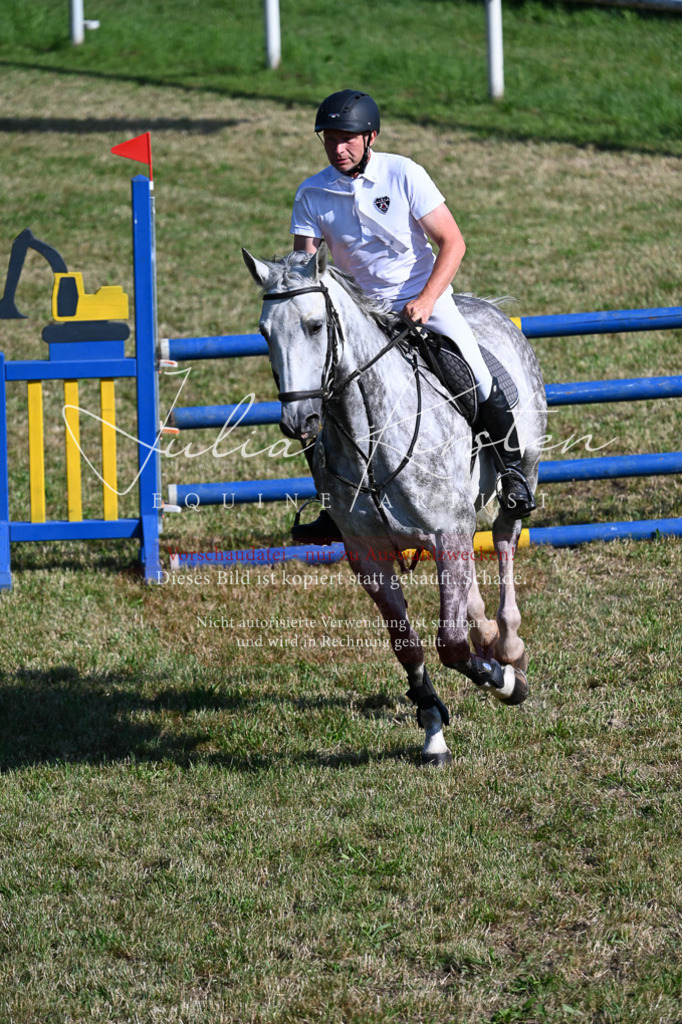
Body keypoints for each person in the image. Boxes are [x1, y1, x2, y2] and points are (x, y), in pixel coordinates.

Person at [289, 89, 536, 544]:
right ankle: (333, 505)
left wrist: (425, 300)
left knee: (476, 374)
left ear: (371, 137)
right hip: (359, 312)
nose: (338, 148)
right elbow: (305, 266)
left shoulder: (403, 174)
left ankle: (512, 475)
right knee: (317, 402)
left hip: (426, 300)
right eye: (330, 139)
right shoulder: (311, 194)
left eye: (348, 139)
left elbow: (453, 243)